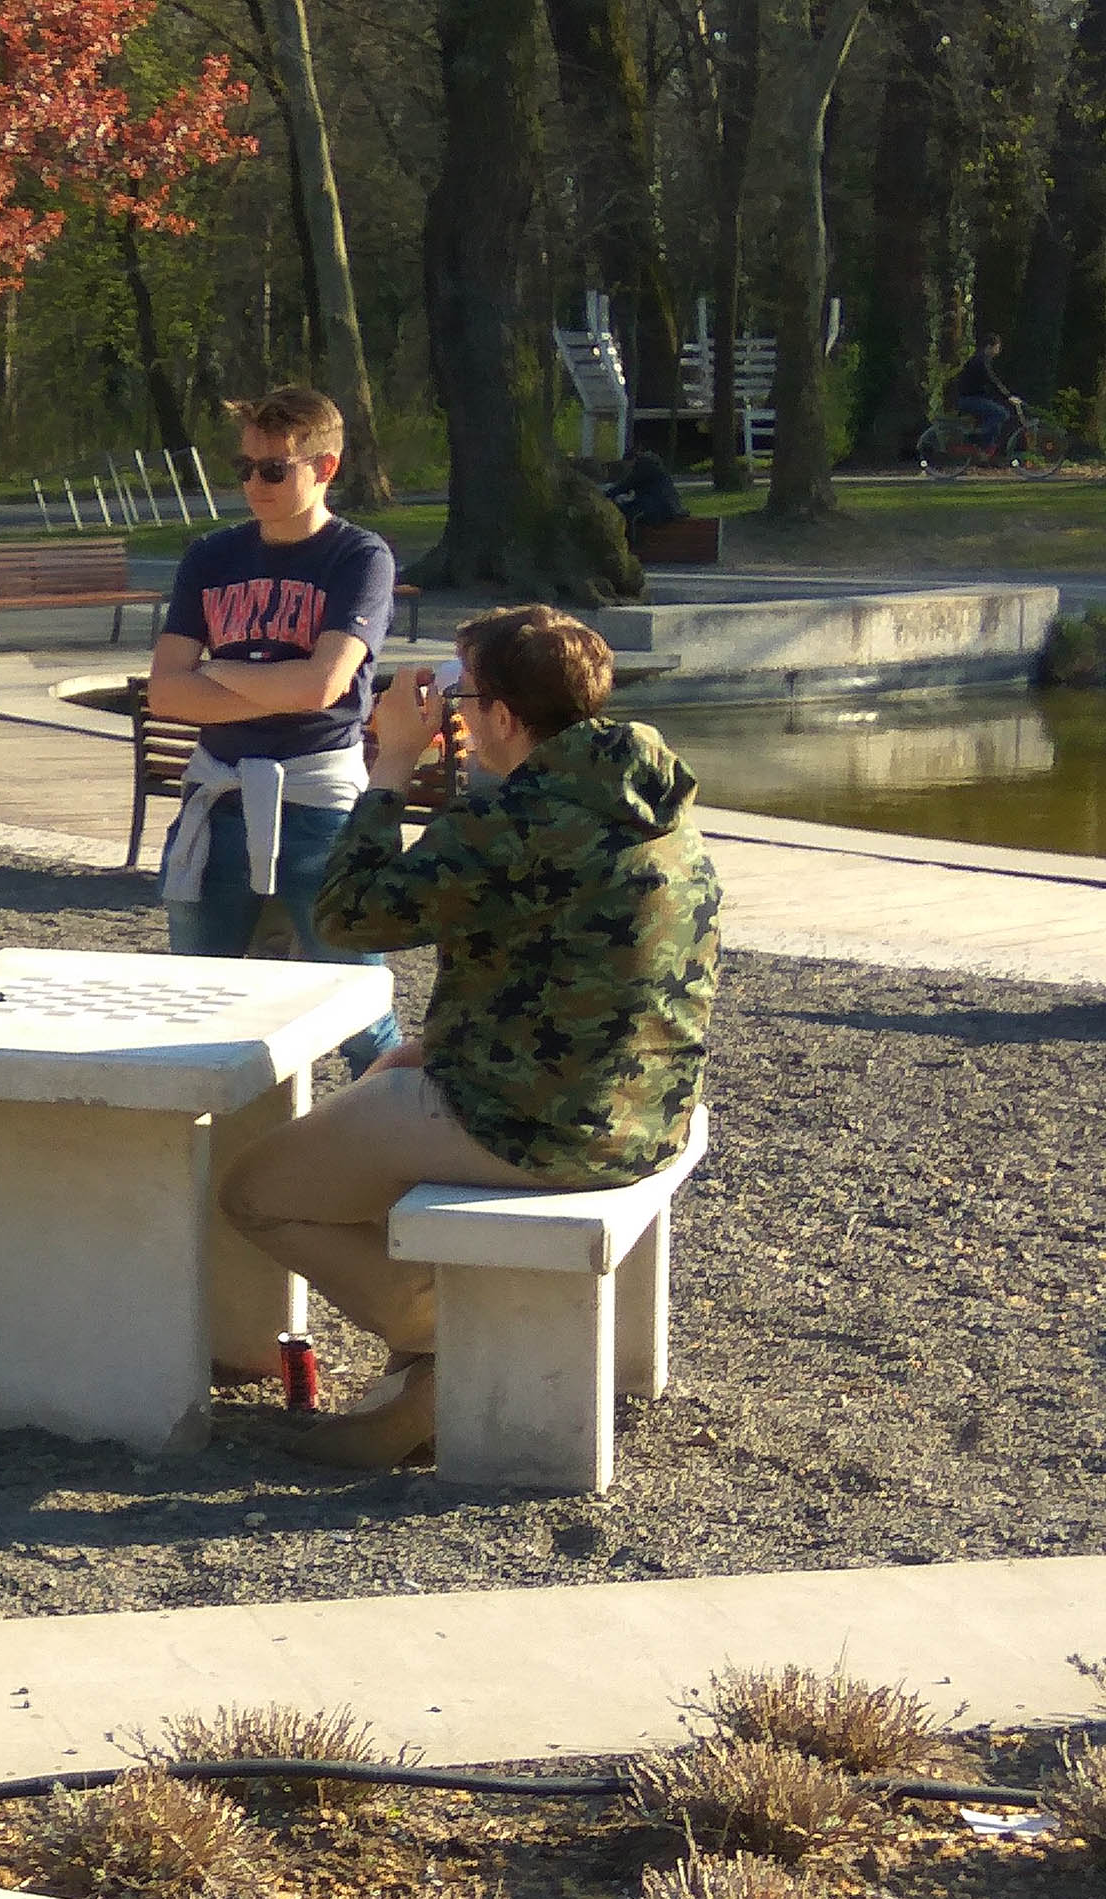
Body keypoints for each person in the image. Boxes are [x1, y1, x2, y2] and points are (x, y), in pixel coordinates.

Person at [218, 605, 722, 1467]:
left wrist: (391, 766)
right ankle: (425, 1362)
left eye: (461, 692)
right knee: (384, 1093)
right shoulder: (644, 791)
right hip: (646, 1106)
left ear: (505, 716)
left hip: (540, 1125)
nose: (450, 709)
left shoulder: (517, 819)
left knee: (255, 1192)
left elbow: (346, 917)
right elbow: (559, 954)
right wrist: (437, 1044)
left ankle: (450, 1346)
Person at [147, 384, 402, 1074]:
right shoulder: (211, 555)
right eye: (245, 468)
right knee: (195, 1001)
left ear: (325, 468)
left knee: (359, 1010)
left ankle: (400, 1124)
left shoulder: (359, 557)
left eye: (273, 469)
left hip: (321, 804)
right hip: (219, 800)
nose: (254, 485)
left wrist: (218, 670)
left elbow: (323, 688)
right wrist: (281, 686)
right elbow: (167, 692)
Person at [954, 333, 1021, 458]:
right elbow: (992, 380)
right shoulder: (981, 361)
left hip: (971, 398)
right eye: (997, 347)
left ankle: (987, 445)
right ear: (989, 347)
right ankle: (982, 442)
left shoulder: (980, 359)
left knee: (996, 412)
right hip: (969, 400)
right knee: (1001, 414)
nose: (998, 351)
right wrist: (1008, 396)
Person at [604, 447, 684, 541]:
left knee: (629, 514)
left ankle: (631, 542)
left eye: (628, 465)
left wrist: (606, 495)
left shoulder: (644, 467)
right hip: (664, 505)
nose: (628, 468)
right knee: (627, 508)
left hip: (659, 506)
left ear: (632, 460)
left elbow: (627, 484)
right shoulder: (649, 465)